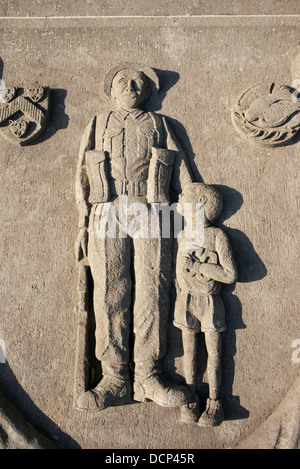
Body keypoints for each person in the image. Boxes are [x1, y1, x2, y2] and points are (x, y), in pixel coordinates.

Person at [75, 62, 193, 410]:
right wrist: (83, 223)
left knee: (153, 287)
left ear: (149, 91)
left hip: (153, 208)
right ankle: (114, 378)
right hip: (107, 208)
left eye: (139, 82)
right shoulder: (98, 123)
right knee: (111, 289)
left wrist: (197, 227)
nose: (131, 86)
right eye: (123, 81)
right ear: (111, 90)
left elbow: (184, 176)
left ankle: (149, 374)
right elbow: (81, 173)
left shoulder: (160, 124)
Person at [173, 182, 238, 426]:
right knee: (189, 352)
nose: (180, 196)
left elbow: (230, 274)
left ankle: (214, 402)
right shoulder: (183, 235)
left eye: (186, 195)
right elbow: (179, 271)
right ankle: (190, 399)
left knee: (214, 353)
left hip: (210, 302)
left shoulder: (216, 235)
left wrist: (202, 268)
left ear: (199, 203)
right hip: (188, 300)